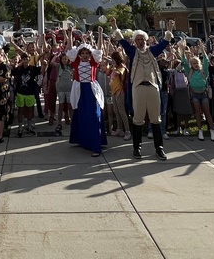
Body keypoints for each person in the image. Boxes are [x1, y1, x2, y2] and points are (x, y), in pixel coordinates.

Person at [111, 17, 174, 159]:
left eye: (142, 39)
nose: (141, 41)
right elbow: (121, 40)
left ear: (146, 40)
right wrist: (115, 26)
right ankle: (137, 148)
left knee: (155, 119)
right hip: (138, 87)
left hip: (152, 86)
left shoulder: (153, 51)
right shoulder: (132, 51)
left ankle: (159, 149)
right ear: (135, 41)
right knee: (138, 118)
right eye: (138, 39)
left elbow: (164, 42)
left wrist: (169, 29)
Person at [67, 29, 107, 156]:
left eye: (86, 53)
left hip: (91, 91)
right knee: (81, 115)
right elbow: (69, 48)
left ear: (90, 54)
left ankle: (96, 146)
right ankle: (83, 140)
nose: (84, 55)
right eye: (82, 53)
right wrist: (69, 35)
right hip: (79, 91)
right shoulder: (76, 62)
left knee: (94, 115)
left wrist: (100, 34)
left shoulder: (94, 62)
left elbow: (99, 48)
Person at [12, 49, 40, 137]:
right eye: (24, 59)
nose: (26, 61)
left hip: (30, 92)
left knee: (30, 110)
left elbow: (41, 71)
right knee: (21, 110)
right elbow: (11, 72)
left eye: (27, 59)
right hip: (20, 92)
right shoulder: (18, 69)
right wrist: (13, 65)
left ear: (29, 59)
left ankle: (29, 126)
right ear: (22, 60)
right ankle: (20, 128)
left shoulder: (33, 68)